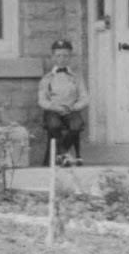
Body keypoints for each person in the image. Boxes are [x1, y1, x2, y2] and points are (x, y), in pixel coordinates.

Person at [37, 38, 90, 166]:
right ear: (53, 57)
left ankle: (60, 154)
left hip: (71, 110)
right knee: (54, 125)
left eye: (65, 55)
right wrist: (53, 107)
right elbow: (42, 100)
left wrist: (75, 107)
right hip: (54, 111)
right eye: (58, 55)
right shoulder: (47, 78)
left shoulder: (76, 77)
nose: (62, 59)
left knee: (76, 125)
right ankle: (64, 154)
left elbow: (84, 97)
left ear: (70, 57)